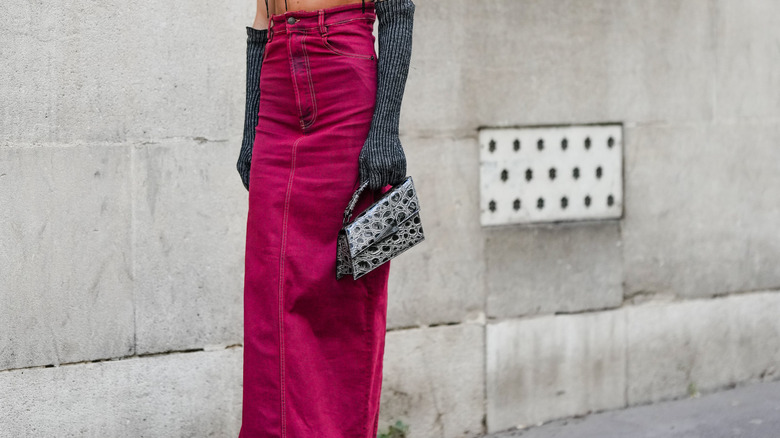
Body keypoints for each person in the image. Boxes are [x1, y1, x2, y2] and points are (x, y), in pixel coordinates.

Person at [236, 0, 415, 436]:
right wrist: (250, 128)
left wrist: (385, 130)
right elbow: (262, 22)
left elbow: (397, 10)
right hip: (277, 85)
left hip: (344, 83)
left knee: (346, 299)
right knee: (270, 300)